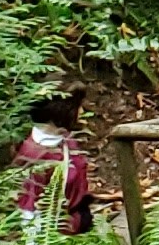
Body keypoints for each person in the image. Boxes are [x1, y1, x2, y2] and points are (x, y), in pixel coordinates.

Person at [11, 89, 97, 237]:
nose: (81, 112)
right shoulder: (33, 153)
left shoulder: (67, 142)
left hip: (73, 219)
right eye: (78, 107)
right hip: (49, 232)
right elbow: (29, 207)